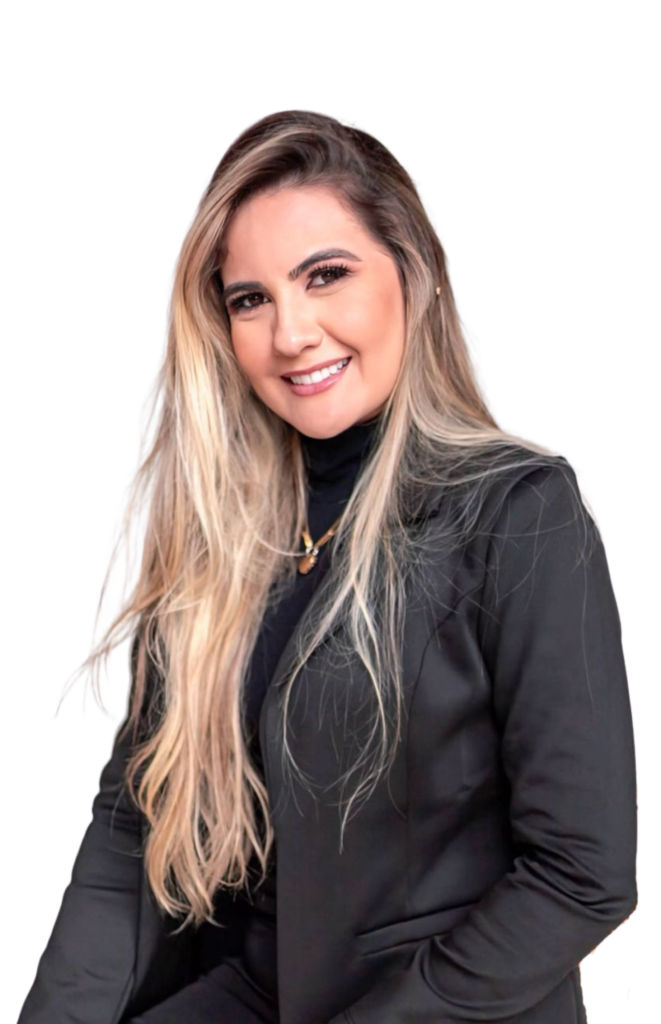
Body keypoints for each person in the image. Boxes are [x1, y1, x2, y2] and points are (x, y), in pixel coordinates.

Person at [17, 108, 638, 1024]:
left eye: (325, 276)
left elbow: (582, 876)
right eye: (250, 299)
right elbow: (132, 825)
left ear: (412, 274)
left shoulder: (519, 509)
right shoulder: (224, 528)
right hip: (257, 989)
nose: (291, 333)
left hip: (443, 1009)